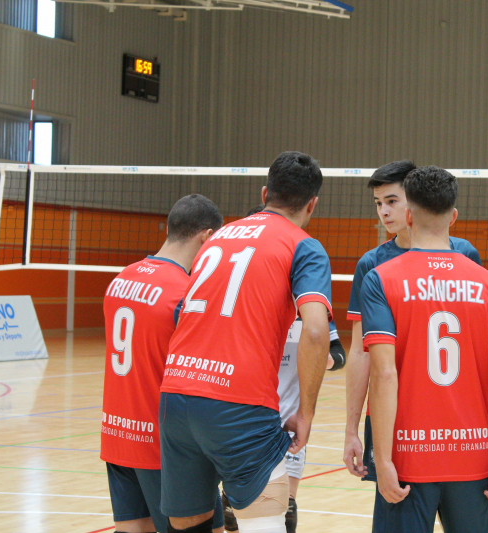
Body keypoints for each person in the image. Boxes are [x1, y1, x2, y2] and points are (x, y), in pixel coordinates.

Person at [159, 151, 333, 533]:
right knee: (266, 524)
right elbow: (317, 332)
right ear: (312, 204)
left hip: (176, 396)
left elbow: (180, 313)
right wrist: (305, 412)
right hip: (238, 405)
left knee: (189, 523)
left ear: (265, 192)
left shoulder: (217, 237)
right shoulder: (303, 245)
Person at [361, 166, 488, 533]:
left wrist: (382, 458)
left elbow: (384, 372)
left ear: (408, 214)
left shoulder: (381, 279)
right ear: (453, 216)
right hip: (472, 457)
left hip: (407, 458)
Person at [343, 160, 482, 484]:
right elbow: (361, 352)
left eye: (392, 201)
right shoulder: (371, 264)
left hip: (452, 415)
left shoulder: (464, 255)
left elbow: (478, 348)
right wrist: (350, 429)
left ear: (413, 202)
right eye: (378, 204)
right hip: (392, 416)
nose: (383, 211)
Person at [100, 194, 225, 533]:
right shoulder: (185, 293)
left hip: (117, 433)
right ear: (207, 237)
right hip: (164, 446)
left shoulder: (120, 280)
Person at [221, 205, 347, 533]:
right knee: (232, 514)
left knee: (283, 513)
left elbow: (338, 353)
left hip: (288, 424)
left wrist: (319, 360)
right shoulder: (243, 305)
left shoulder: (307, 300)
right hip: (243, 418)